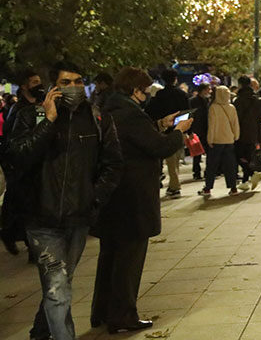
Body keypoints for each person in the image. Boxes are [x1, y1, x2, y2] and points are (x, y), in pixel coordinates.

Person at [7, 61, 123, 340]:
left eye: (79, 81)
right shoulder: (29, 117)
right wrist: (47, 122)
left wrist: (94, 198)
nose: (74, 87)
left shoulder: (97, 118)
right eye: (66, 83)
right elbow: (16, 157)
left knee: (61, 283)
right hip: (41, 219)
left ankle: (40, 330)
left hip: (79, 217)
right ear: (52, 88)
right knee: (57, 287)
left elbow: (113, 163)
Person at [91, 67, 192, 334]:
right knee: (129, 259)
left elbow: (139, 138)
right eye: (145, 90)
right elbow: (158, 147)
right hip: (132, 197)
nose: (147, 94)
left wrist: (160, 125)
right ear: (135, 90)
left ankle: (102, 311)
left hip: (114, 198)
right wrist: (179, 132)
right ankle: (123, 315)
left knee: (110, 256)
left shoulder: (113, 110)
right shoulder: (129, 114)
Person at [0, 68, 43, 257]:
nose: (39, 86)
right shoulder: (17, 111)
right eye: (34, 83)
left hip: (37, 163)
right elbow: (11, 141)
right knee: (25, 206)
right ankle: (20, 238)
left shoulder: (41, 105)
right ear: (24, 86)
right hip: (22, 166)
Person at [145, 69, 189, 197]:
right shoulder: (181, 94)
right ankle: (174, 185)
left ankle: (175, 187)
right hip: (180, 128)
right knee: (174, 160)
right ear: (175, 79)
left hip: (165, 129)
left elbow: (151, 112)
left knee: (171, 160)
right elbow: (187, 111)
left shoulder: (160, 95)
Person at [199, 86, 240, 196]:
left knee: (212, 165)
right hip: (229, 139)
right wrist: (236, 136)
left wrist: (210, 139)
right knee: (230, 165)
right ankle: (233, 188)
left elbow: (212, 125)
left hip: (217, 140)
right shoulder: (231, 107)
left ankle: (208, 188)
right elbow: (235, 124)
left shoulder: (213, 108)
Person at [233, 76, 261, 191]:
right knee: (248, 156)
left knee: (238, 156)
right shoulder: (255, 99)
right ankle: (245, 181)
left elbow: (237, 118)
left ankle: (252, 173)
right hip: (253, 132)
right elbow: (259, 117)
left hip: (241, 133)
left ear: (240, 84)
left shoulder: (238, 100)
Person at [188, 83, 212, 180]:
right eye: (208, 89)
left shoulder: (207, 101)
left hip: (206, 128)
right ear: (203, 90)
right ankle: (196, 172)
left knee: (209, 151)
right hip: (197, 129)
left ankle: (208, 171)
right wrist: (190, 131)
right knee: (197, 152)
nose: (209, 91)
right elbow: (191, 115)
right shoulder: (193, 101)